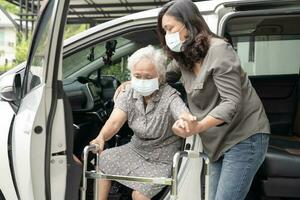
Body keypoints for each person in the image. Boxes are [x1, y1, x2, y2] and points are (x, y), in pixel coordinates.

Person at [115, 0, 270, 199]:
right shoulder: (184, 56)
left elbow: (231, 102)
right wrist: (134, 82)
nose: (167, 36)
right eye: (164, 31)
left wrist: (198, 126)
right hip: (216, 142)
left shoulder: (219, 50)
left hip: (244, 137)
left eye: (170, 29)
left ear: (188, 24)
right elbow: (163, 76)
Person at [90, 45, 191, 200]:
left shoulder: (169, 96)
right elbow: (115, 122)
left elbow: (182, 113)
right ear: (131, 75)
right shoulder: (129, 92)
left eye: (148, 77)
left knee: (139, 195)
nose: (142, 81)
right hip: (136, 149)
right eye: (137, 76)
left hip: (162, 158)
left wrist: (185, 121)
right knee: (104, 159)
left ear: (160, 76)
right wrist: (101, 137)